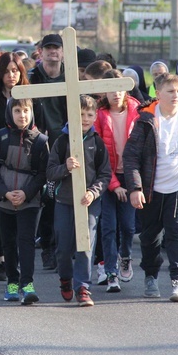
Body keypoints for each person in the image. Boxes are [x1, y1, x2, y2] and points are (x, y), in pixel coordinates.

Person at [123, 73, 178, 302]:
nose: (176, 95)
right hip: (151, 189)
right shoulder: (146, 119)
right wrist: (135, 188)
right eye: (170, 91)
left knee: (177, 232)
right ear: (158, 93)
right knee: (150, 237)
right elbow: (131, 157)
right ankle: (151, 275)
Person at [0, 52, 43, 281]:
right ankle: (0, 259)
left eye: (15, 70)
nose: (11, 75)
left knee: (26, 215)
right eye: (6, 71)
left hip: (27, 157)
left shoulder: (30, 95)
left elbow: (39, 124)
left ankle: (22, 270)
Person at [48, 95, 111, 307]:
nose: (84, 118)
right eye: (80, 114)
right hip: (64, 201)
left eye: (89, 114)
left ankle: (83, 286)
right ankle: (65, 278)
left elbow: (105, 175)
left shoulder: (97, 142)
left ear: (95, 117)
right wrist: (64, 167)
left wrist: (93, 192)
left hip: (89, 202)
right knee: (64, 246)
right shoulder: (61, 141)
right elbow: (49, 172)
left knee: (86, 245)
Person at [0, 98, 49, 305]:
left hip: (29, 201)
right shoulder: (0, 137)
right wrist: (5, 192)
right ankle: (12, 282)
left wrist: (26, 193)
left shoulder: (41, 141)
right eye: (17, 110)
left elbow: (42, 174)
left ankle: (27, 283)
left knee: (26, 241)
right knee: (9, 242)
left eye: (26, 110)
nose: (22, 115)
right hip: (3, 201)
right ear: (9, 113)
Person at [95, 69, 140, 292]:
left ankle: (126, 257)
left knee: (129, 226)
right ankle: (111, 272)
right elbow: (99, 156)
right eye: (111, 89)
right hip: (106, 177)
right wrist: (114, 185)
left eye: (120, 88)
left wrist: (130, 183)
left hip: (130, 176)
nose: (116, 93)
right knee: (108, 226)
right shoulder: (99, 115)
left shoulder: (137, 111)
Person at [28, 34, 68, 271]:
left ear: (63, 52)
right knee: (42, 198)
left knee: (59, 199)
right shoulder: (31, 79)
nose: (53, 52)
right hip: (38, 146)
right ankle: (45, 246)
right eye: (49, 48)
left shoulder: (71, 76)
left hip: (64, 145)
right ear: (41, 52)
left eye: (57, 48)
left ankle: (57, 247)